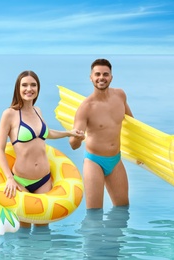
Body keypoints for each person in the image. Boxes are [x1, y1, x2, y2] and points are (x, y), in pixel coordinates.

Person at [0, 70, 84, 227]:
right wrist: (9, 178)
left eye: (33, 85)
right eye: (24, 85)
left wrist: (68, 133)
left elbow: (45, 133)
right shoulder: (9, 114)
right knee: (24, 227)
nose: (29, 89)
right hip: (20, 180)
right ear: (18, 88)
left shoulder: (38, 111)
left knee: (43, 229)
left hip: (43, 179)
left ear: (38, 88)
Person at [69, 58, 133, 209]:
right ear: (91, 77)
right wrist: (78, 138)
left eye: (105, 74)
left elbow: (131, 124)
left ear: (111, 77)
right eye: (97, 74)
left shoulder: (120, 96)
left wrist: (140, 156)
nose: (101, 78)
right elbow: (73, 144)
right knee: (94, 212)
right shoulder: (86, 107)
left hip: (116, 160)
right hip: (94, 162)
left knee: (123, 208)